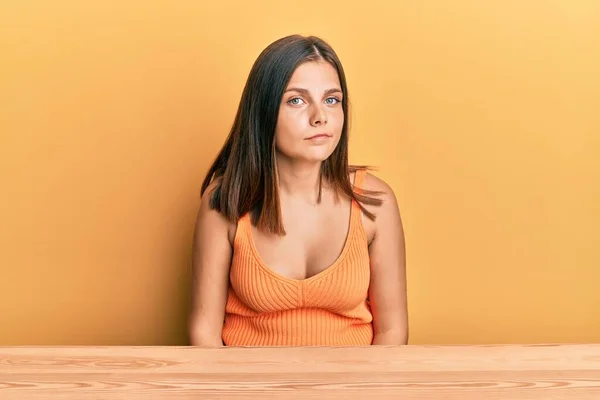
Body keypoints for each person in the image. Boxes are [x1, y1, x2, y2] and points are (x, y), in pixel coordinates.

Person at [188, 34, 408, 347]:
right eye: (297, 100)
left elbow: (392, 333)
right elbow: (204, 334)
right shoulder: (224, 201)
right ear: (263, 113)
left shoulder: (376, 203)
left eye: (332, 100)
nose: (321, 117)